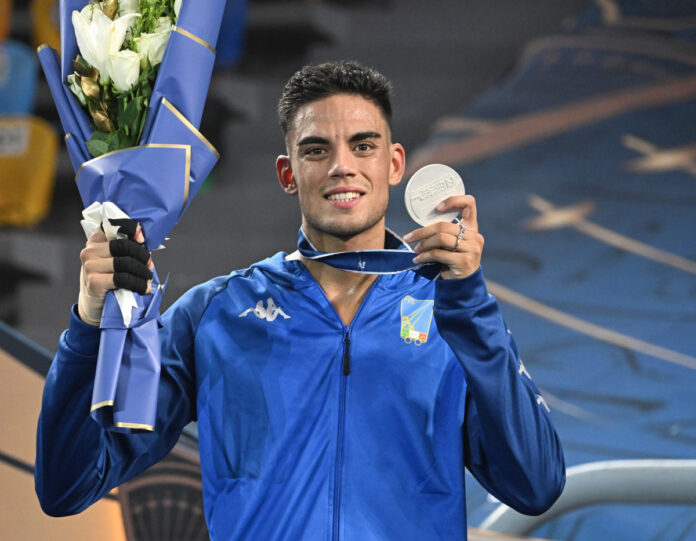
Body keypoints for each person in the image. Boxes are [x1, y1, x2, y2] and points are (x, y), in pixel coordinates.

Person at [36, 60, 565, 540]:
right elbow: (69, 485)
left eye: (363, 146)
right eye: (316, 150)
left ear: (394, 164)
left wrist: (468, 303)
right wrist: (88, 325)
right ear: (288, 174)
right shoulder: (217, 314)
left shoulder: (451, 313)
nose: (342, 166)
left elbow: (536, 485)